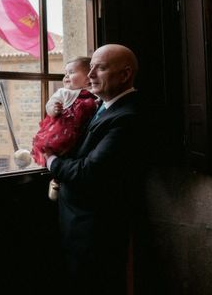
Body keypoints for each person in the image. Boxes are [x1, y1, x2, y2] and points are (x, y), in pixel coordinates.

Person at [42, 44, 142, 294]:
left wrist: (52, 160)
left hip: (96, 233)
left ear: (125, 75)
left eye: (101, 68)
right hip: (78, 228)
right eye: (91, 67)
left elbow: (89, 171)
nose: (90, 75)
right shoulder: (101, 106)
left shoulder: (127, 116)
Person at [31, 57, 97, 200]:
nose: (66, 76)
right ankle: (55, 180)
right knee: (57, 153)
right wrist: (54, 109)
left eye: (72, 72)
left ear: (88, 78)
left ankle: (58, 180)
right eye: (65, 73)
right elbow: (49, 105)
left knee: (71, 156)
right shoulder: (64, 92)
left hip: (77, 136)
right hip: (60, 133)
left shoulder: (93, 94)